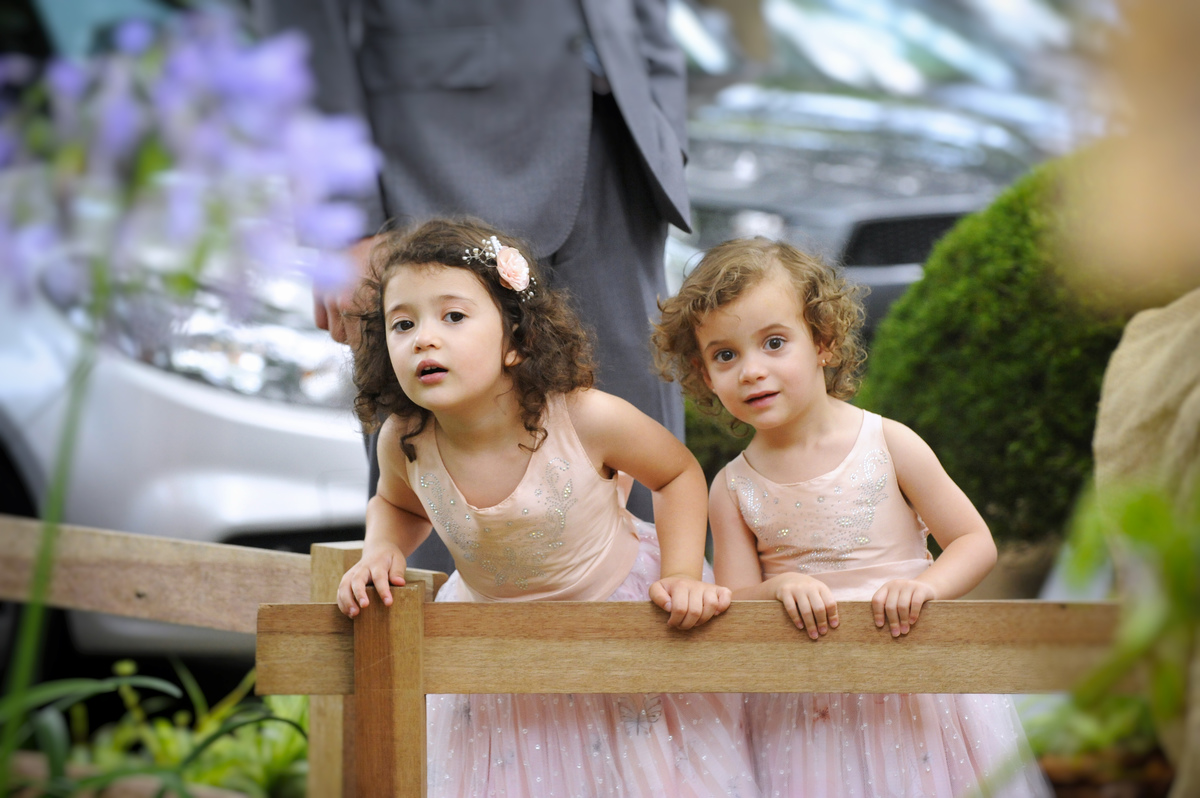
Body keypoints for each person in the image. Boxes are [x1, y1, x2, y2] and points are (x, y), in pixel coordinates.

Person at [253, 1, 689, 571]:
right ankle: (442, 663)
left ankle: (647, 661)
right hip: (432, 160)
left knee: (642, 456)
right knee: (434, 454)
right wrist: (343, 223)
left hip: (621, 140)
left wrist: (663, 116)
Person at [336, 218, 758, 797]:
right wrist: (382, 548)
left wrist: (683, 573)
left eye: (453, 316)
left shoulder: (584, 418)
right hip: (494, 638)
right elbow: (397, 503)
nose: (424, 338)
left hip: (612, 619)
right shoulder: (405, 439)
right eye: (402, 323)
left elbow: (678, 473)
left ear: (517, 339)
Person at [652, 237, 1051, 797]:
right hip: (807, 706)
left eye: (773, 342)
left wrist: (926, 588)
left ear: (824, 343)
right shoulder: (732, 486)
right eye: (725, 355)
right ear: (704, 373)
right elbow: (735, 603)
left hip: (913, 683)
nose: (751, 371)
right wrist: (779, 586)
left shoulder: (889, 443)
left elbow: (972, 540)